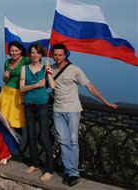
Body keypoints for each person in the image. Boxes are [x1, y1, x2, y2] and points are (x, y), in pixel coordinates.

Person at [47, 43, 118, 187]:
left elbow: (89, 86)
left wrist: (105, 101)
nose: (57, 57)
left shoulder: (75, 70)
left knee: (73, 140)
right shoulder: (51, 69)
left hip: (73, 109)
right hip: (57, 109)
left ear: (65, 55)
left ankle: (73, 172)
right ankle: (69, 170)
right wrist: (46, 71)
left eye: (60, 54)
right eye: (55, 54)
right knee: (63, 140)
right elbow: (49, 85)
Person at [19, 43, 54, 182]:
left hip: (42, 105)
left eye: (37, 53)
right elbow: (22, 88)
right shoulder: (25, 68)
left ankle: (50, 169)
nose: (35, 55)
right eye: (32, 52)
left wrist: (49, 70)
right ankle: (35, 163)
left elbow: (52, 85)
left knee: (44, 135)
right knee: (31, 134)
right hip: (28, 103)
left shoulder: (45, 69)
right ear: (30, 54)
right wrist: (35, 85)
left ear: (41, 54)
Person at [0, 40, 30, 165]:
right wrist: (5, 76)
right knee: (3, 125)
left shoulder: (26, 60)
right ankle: (2, 152)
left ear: (21, 51)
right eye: (12, 51)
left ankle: (7, 153)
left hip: (18, 95)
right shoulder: (7, 62)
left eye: (16, 50)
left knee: (12, 126)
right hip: (6, 94)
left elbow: (34, 71)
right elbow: (5, 79)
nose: (13, 53)